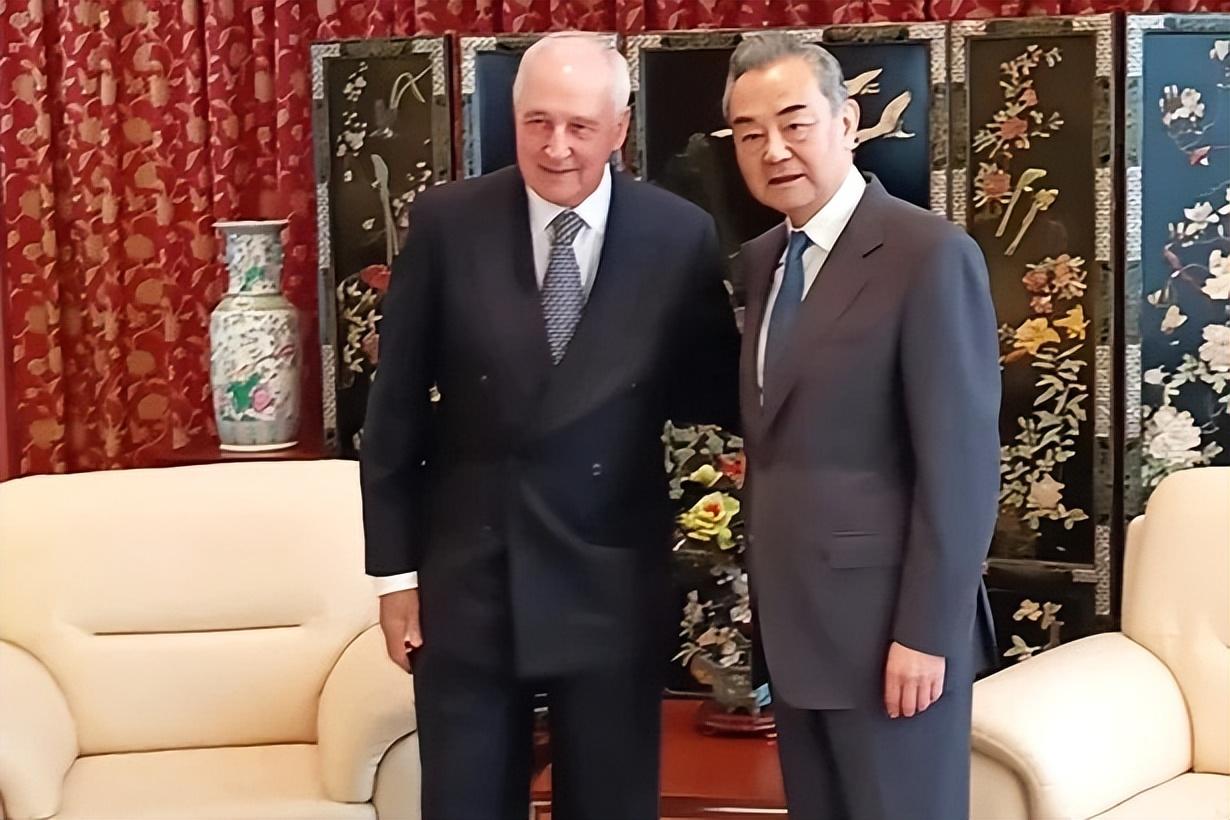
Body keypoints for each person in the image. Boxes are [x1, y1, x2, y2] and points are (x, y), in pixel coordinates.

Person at [360, 31, 740, 820]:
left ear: (618, 127)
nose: (556, 147)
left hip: (611, 575)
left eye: (578, 125)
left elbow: (717, 391)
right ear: (513, 117)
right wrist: (395, 579)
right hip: (469, 574)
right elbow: (394, 411)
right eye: (537, 122)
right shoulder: (447, 221)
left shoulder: (678, 235)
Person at [724, 33, 1001, 820]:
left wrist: (926, 632)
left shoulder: (927, 254)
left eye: (794, 124)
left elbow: (962, 467)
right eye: (749, 134)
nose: (774, 150)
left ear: (847, 122)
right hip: (795, 629)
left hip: (891, 640)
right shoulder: (762, 261)